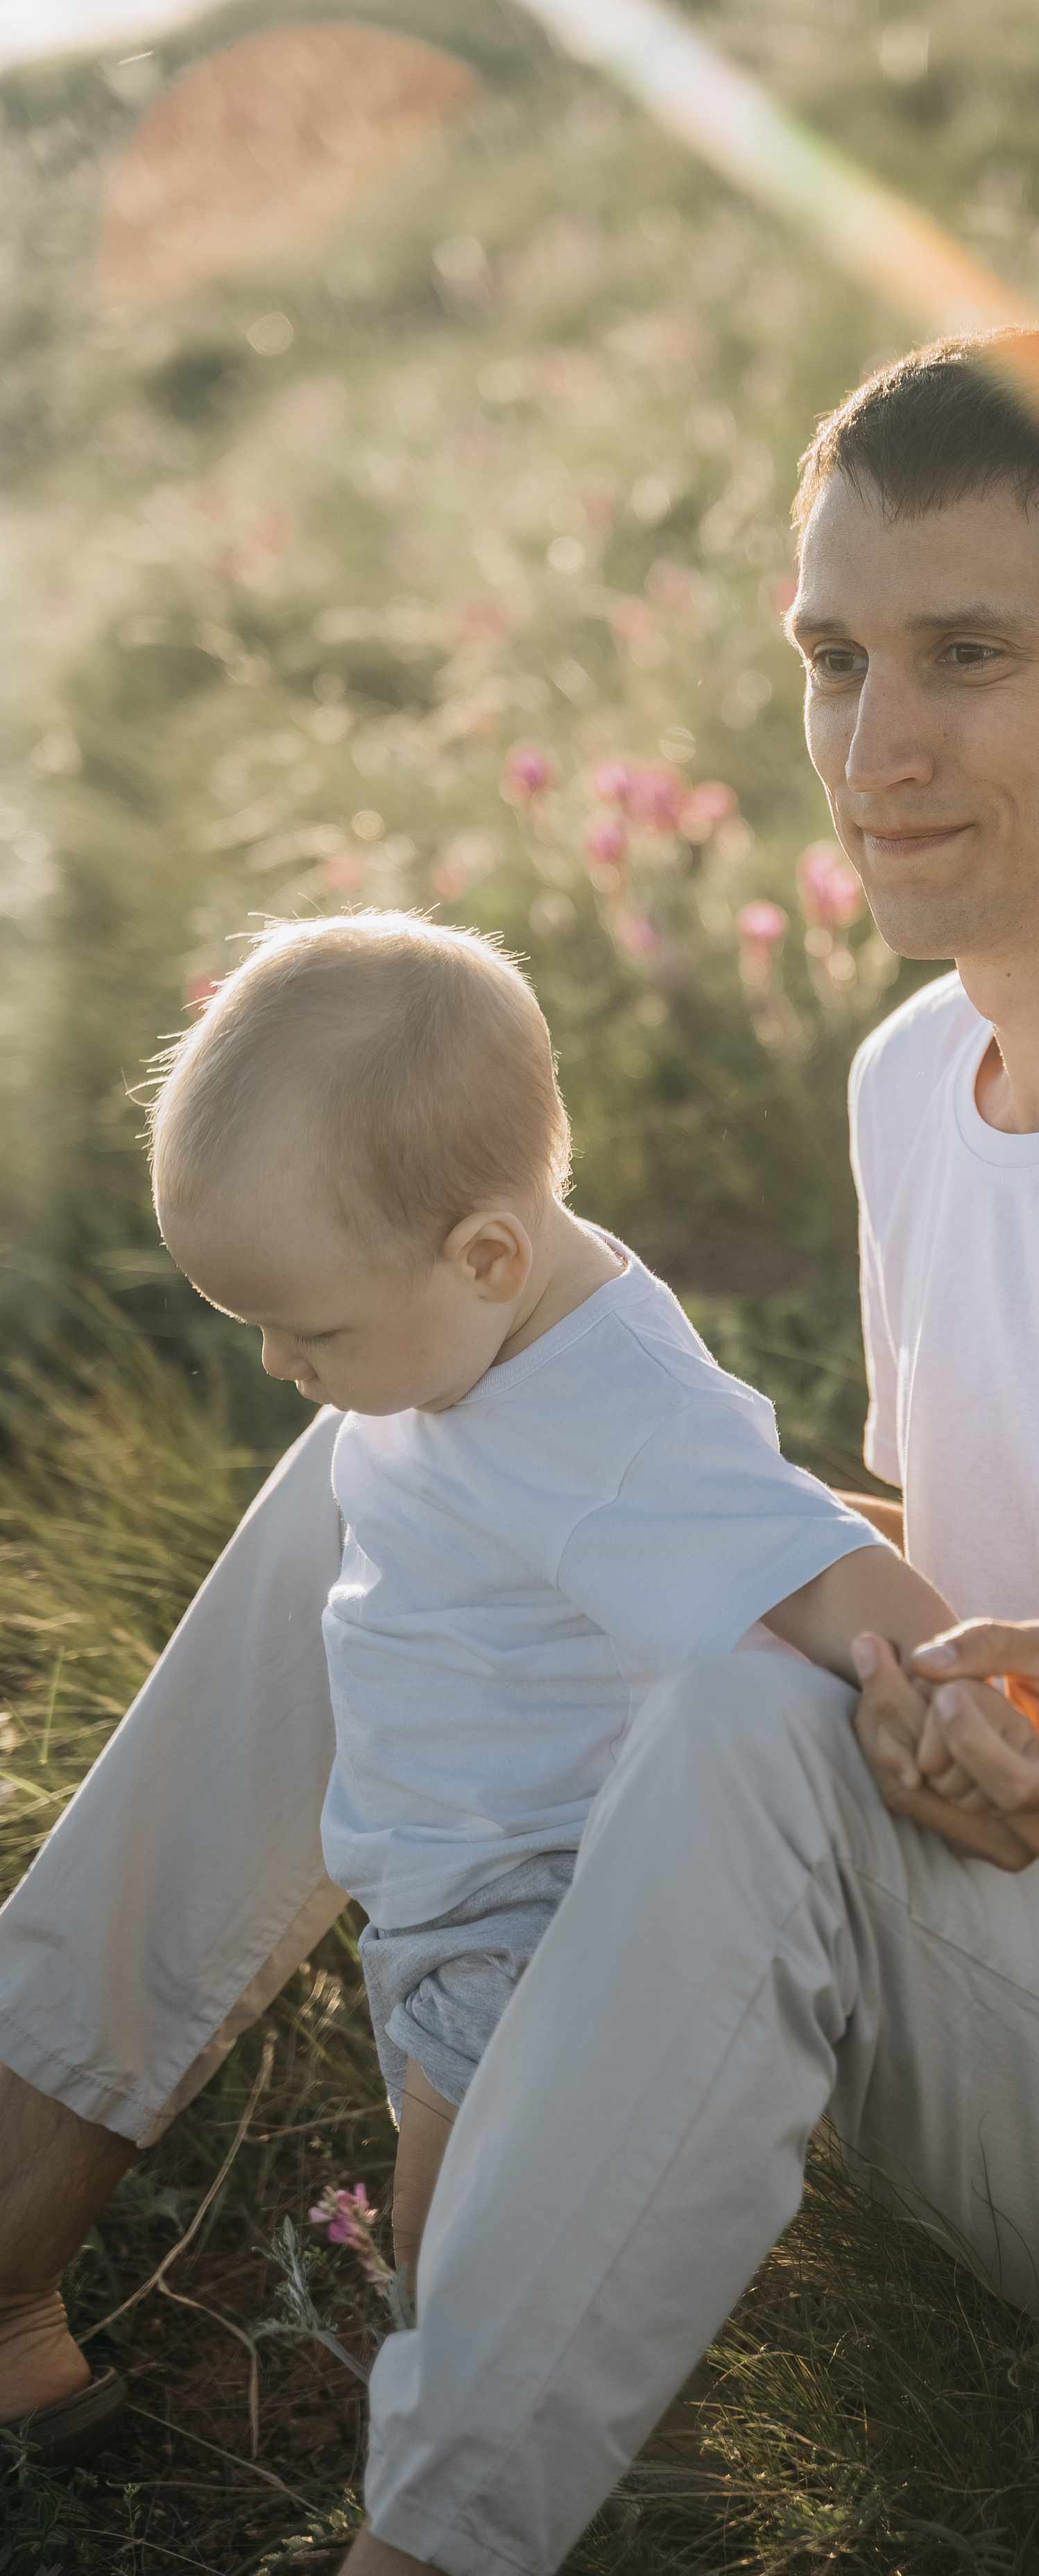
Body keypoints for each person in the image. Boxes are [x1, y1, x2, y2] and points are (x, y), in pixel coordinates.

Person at [0, 330, 1039, 2576]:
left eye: (965, 656)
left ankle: (435, 2545)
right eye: (834, 659)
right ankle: (10, 2223)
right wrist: (625, 1488)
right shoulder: (915, 1079)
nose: (873, 749)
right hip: (1021, 1933)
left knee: (742, 1739)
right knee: (431, 1438)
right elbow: (984, 1558)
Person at [144, 910, 980, 2282]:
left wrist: (965, 1691)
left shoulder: (603, 1412)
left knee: (470, 2264)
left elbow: (812, 1563)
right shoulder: (483, 1328)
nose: (278, 1367)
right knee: (525, 2241)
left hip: (532, 1899)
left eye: (313, 1329)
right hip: (446, 1877)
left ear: (486, 1258)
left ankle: (573, 2470)